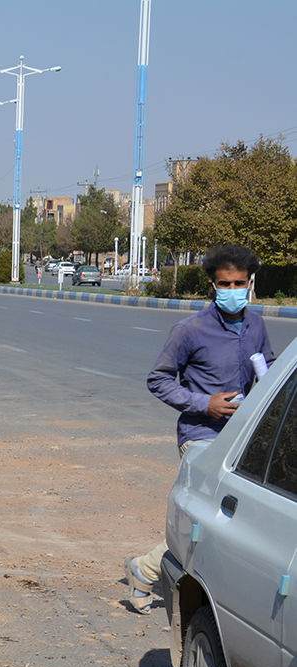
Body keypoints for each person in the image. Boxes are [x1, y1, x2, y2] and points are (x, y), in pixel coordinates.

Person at [123, 244, 275, 613]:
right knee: (206, 515)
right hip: (200, 437)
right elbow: (158, 379)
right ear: (213, 286)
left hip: (241, 439)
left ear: (250, 283)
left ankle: (152, 570)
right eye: (226, 284)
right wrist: (203, 403)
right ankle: (146, 569)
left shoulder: (256, 325)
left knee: (223, 522)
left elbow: (268, 368)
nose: (234, 290)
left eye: (240, 283)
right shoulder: (189, 330)